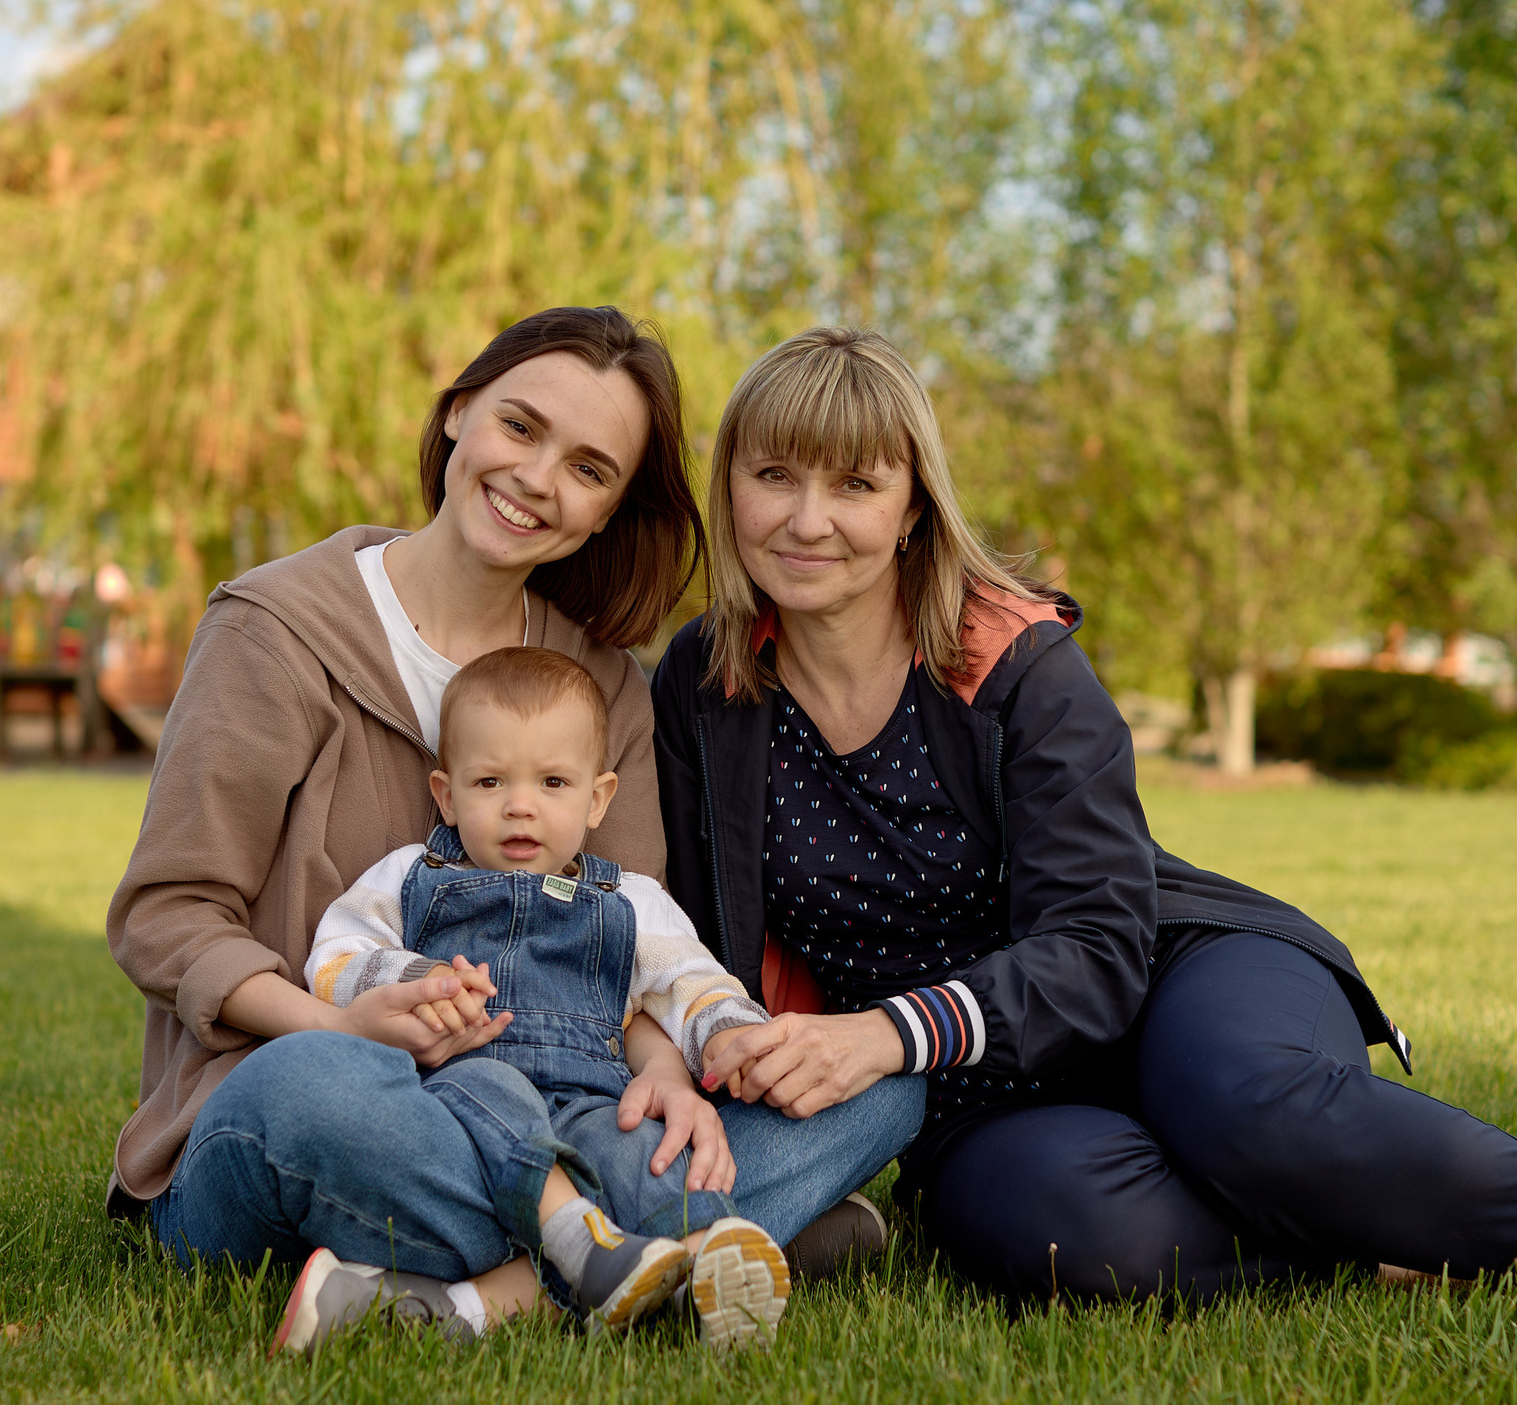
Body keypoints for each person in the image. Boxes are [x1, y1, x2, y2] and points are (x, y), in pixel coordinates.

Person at [653, 327, 1517, 1314]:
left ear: (911, 506)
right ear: (733, 485)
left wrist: (884, 1033)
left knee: (1246, 1108)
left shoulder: (1019, 666)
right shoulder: (703, 686)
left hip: (1166, 976)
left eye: (852, 484)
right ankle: (1404, 1236)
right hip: (974, 1093)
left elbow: (1096, 947)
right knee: (1057, 1236)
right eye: (773, 476)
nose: (805, 520)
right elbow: (706, 934)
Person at [106, 307, 922, 1351]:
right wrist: (345, 1026)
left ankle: (485, 1292)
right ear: (456, 417)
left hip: (568, 1101)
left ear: (607, 512)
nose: (539, 478)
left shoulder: (601, 687)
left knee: (879, 1089)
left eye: (589, 468)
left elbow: (622, 942)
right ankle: (713, 1234)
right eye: (520, 428)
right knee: (316, 1093)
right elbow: (169, 919)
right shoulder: (277, 632)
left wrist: (667, 1075)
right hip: (317, 1098)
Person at [275, 646, 790, 1352]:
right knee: (489, 1085)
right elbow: (334, 955)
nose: (521, 805)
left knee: (648, 1147)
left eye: (553, 781)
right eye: (490, 781)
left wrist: (727, 1035)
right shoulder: (411, 876)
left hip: (594, 1097)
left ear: (598, 798)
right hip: (466, 1087)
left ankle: (711, 1257)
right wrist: (413, 978)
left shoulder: (629, 900)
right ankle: (579, 1240)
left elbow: (689, 981)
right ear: (447, 793)